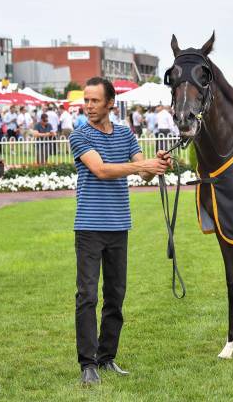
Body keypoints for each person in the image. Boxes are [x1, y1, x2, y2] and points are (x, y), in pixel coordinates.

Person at [68, 77, 171, 386]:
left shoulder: (126, 134)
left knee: (115, 295)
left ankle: (107, 357)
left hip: (118, 226)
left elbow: (143, 170)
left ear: (111, 103)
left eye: (94, 100)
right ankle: (88, 364)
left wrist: (156, 166)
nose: (88, 105)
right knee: (87, 296)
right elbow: (101, 169)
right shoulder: (79, 135)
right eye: (86, 100)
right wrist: (143, 166)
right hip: (89, 226)